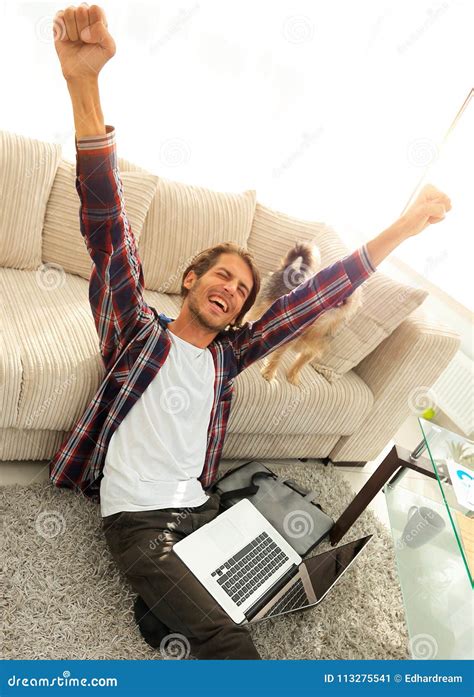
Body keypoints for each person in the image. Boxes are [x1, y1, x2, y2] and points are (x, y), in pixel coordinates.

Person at [51, 3, 452, 660]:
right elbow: (108, 226)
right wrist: (84, 84)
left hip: (203, 510)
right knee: (229, 641)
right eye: (222, 275)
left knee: (285, 542)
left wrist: (404, 227)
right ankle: (178, 602)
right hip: (141, 522)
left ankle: (168, 606)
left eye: (242, 287)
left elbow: (314, 299)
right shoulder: (139, 335)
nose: (232, 288)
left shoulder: (227, 358)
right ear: (189, 279)